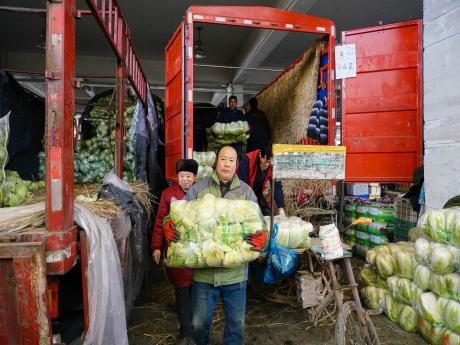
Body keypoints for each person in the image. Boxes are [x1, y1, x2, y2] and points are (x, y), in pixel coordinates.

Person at [163, 145, 268, 345]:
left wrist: (263, 238)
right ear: (216, 162)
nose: (227, 164)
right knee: (199, 326)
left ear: (237, 165)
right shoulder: (198, 189)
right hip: (204, 275)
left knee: (236, 328)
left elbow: (260, 223)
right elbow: (180, 215)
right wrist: (169, 221)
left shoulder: (246, 192)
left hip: (235, 275)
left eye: (231, 160)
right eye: (223, 159)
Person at [151, 159, 198, 345]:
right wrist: (156, 246)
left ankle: (195, 327)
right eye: (181, 176)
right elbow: (160, 220)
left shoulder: (201, 193)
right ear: (177, 177)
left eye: (188, 176)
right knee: (181, 290)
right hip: (176, 251)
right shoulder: (168, 194)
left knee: (196, 290)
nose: (185, 180)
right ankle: (185, 331)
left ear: (195, 177)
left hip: (197, 251)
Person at [237, 145, 285, 216]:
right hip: (244, 193)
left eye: (269, 162)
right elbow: (241, 184)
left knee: (267, 214)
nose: (267, 164)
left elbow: (276, 186)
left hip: (258, 193)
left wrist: (281, 208)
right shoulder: (247, 159)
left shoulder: (272, 164)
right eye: (265, 161)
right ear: (260, 154)